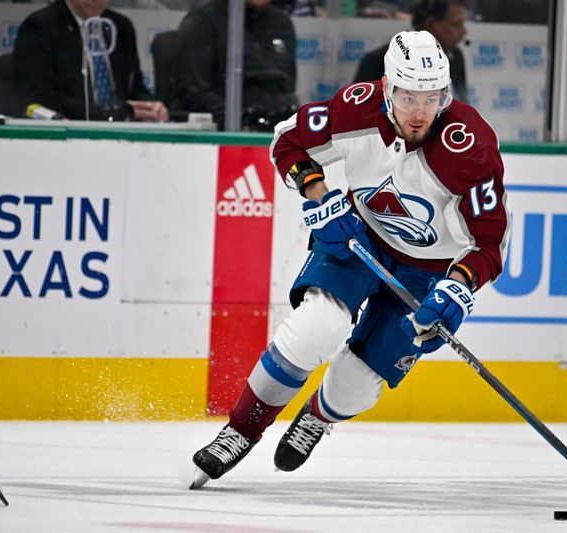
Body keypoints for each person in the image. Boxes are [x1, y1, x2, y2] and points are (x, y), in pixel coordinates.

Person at [189, 30, 509, 489]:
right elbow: (287, 141)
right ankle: (239, 430)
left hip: (431, 270)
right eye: (408, 97)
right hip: (359, 239)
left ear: (446, 92)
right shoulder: (356, 108)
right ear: (386, 89)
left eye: (433, 98)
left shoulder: (470, 146)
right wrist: (318, 194)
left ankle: (318, 416)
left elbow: (489, 242)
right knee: (315, 327)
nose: (421, 112)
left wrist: (458, 287)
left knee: (356, 384)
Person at [13, 0, 169, 122]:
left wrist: (151, 107)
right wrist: (109, 113)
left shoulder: (120, 26)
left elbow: (134, 87)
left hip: (120, 131)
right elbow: (42, 99)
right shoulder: (40, 27)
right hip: (71, 133)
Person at [175, 0, 298, 130]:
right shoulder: (203, 21)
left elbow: (288, 84)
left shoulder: (282, 22)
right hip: (229, 130)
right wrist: (242, 119)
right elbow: (195, 93)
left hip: (279, 129)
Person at [353, 0, 469, 102]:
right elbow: (360, 114)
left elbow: (463, 107)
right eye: (455, 24)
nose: (463, 31)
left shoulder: (454, 56)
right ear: (430, 24)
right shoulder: (378, 61)